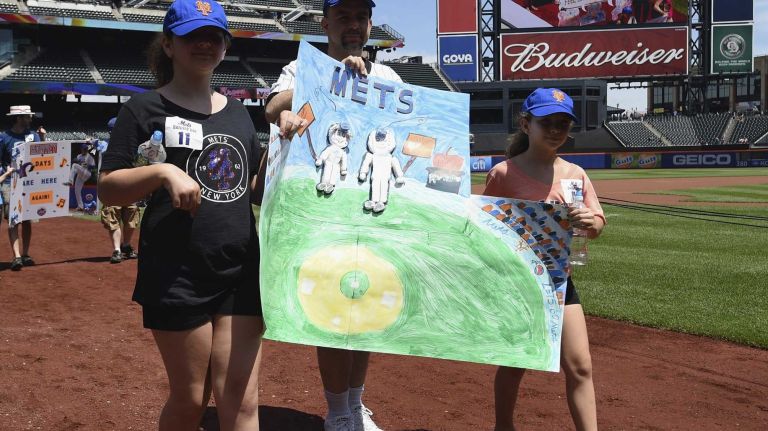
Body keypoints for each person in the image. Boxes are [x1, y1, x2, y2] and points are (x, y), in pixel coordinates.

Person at [98, 1, 263, 429]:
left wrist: (292, 143)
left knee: (241, 404)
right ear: (169, 45)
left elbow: (252, 186)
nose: (205, 44)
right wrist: (162, 171)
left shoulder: (239, 113)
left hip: (241, 270)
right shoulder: (143, 109)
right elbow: (108, 186)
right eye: (193, 35)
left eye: (215, 36)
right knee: (191, 400)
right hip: (176, 273)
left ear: (226, 46)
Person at [264, 1, 400, 430]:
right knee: (332, 313)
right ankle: (337, 411)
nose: (354, 25)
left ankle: (356, 404)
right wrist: (328, 75)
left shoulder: (388, 77)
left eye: (360, 17)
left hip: (370, 215)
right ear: (326, 24)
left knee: (366, 316)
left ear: (370, 24)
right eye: (344, 17)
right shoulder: (300, 67)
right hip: (322, 213)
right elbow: (271, 107)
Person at [483, 88, 606, 431]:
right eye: (546, 122)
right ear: (526, 124)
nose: (555, 130)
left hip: (559, 279)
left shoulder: (576, 174)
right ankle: (503, 426)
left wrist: (588, 222)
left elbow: (597, 224)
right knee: (516, 362)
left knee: (580, 365)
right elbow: (485, 226)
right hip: (519, 280)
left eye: (563, 124)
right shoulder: (503, 173)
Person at [0, 105, 45, 271]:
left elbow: (42, 156)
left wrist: (43, 138)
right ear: (18, 118)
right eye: (27, 116)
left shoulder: (34, 135)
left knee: (27, 220)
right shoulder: (4, 137)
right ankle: (17, 256)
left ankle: (25, 254)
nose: (30, 119)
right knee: (13, 220)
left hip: (30, 183)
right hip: (10, 183)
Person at [68, 143, 97, 211]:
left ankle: (70, 180)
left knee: (75, 165)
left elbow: (93, 166)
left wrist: (87, 165)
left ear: (87, 150)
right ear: (81, 149)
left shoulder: (89, 156)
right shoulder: (79, 156)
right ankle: (80, 206)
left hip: (87, 173)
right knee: (77, 190)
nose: (84, 150)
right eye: (83, 149)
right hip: (81, 173)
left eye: (86, 149)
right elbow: (76, 164)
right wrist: (78, 163)